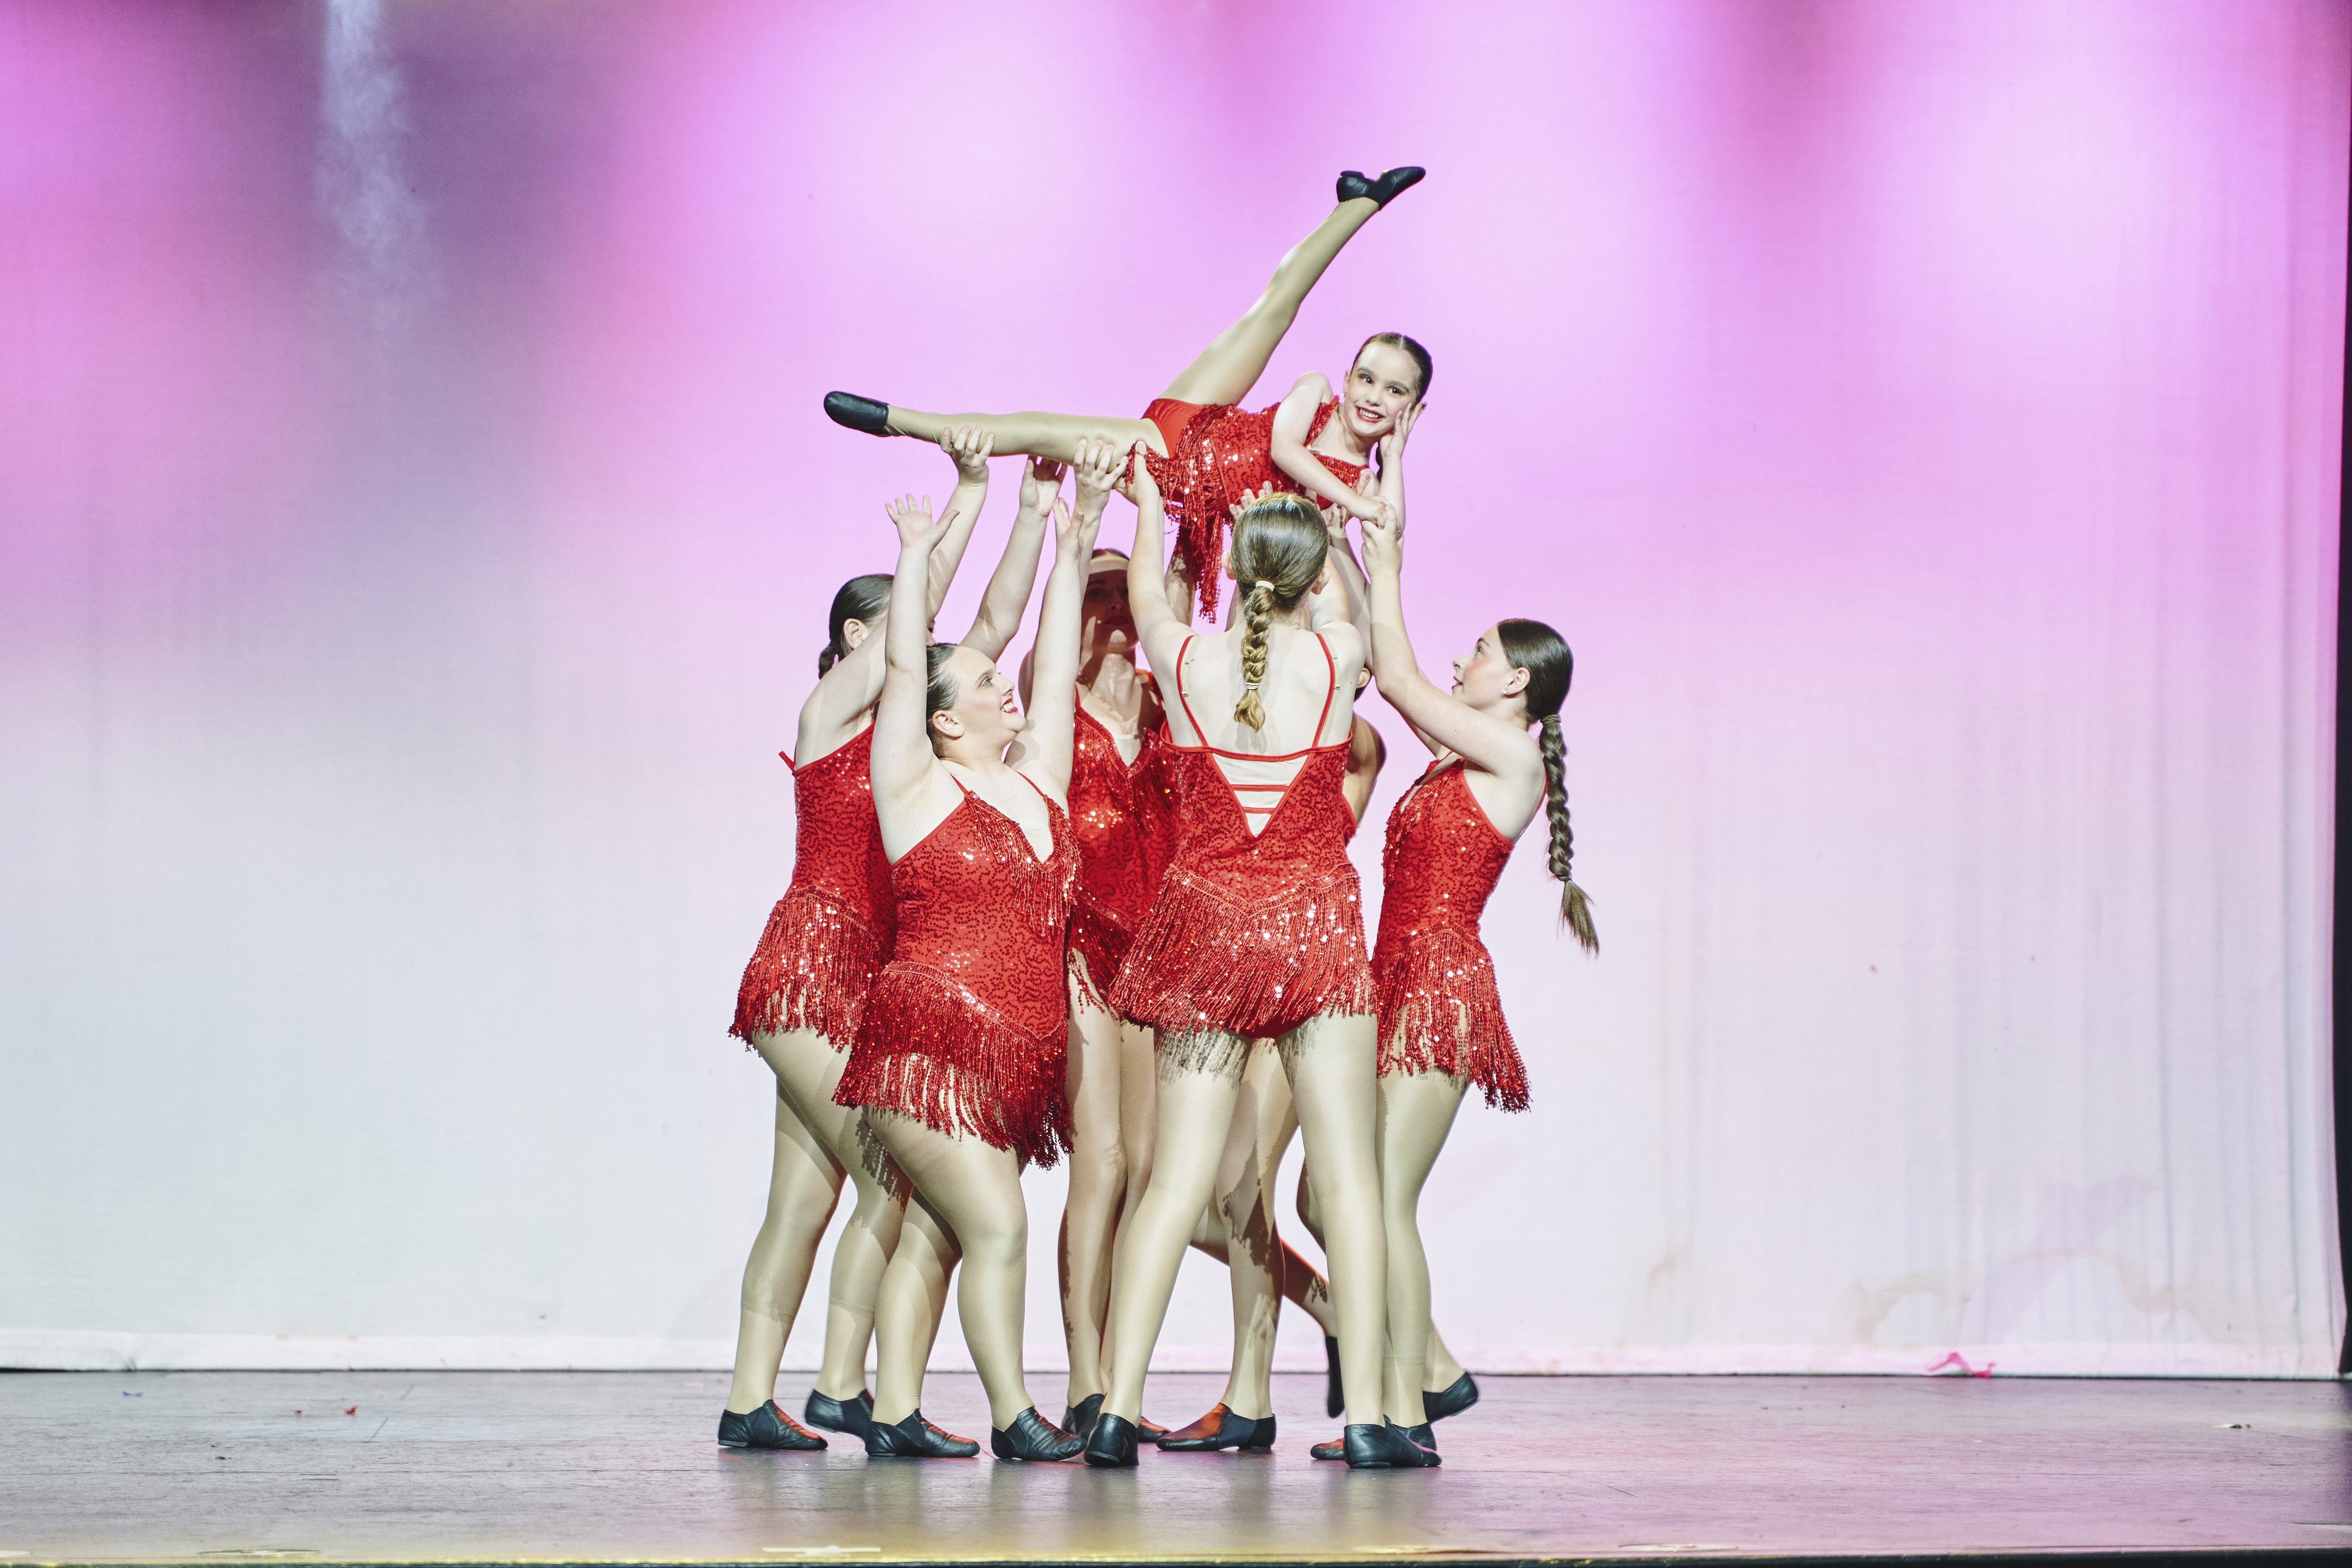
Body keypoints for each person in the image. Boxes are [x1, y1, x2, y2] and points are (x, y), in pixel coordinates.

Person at [1084, 460, 1433, 1470]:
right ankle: (1367, 1416)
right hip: (1311, 932)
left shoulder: (1183, 656)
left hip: (1207, 931)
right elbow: (1358, 621)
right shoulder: (1336, 655)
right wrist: (1372, 542)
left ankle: (1116, 1409)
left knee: (1173, 1185)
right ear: (1316, 577)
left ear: (1235, 573)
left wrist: (1151, 507)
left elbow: (1149, 589)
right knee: (1350, 1183)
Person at [718, 429, 1052, 1451]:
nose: (926, 639)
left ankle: (749, 1399)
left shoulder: (914, 739)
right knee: (888, 1174)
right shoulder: (830, 714)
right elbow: (922, 635)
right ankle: (841, 1386)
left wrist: (1011, 503)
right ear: (860, 634)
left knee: (802, 1199)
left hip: (866, 983)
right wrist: (957, 506)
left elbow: (990, 623)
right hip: (812, 968)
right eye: (904, 625)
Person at [830, 439, 1128, 1462]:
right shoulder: (915, 785)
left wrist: (1077, 530)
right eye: (988, 682)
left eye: (1006, 679)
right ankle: (1014, 1415)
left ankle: (893, 1409)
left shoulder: (1038, 778)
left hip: (1011, 1061)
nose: (1011, 689)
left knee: (939, 1230)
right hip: (927, 1050)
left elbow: (1055, 670)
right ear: (944, 718)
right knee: (997, 1226)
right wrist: (916, 556)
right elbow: (902, 668)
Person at [1309, 447, 1596, 1459]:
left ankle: (1399, 1413)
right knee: (1333, 1196)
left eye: (1477, 652)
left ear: (1515, 680)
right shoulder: (1456, 754)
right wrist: (1356, 541)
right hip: (1389, 979)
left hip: (1437, 984)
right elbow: (1390, 661)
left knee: (1381, 1199)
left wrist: (1386, 557)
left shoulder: (1509, 757)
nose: (1460, 661)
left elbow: (1394, 672)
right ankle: (1420, 1376)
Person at [821, 168, 1429, 622]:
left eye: (1395, 390)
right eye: (1367, 378)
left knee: (1036, 432)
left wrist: (1393, 462)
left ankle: (896, 420)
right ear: (1347, 377)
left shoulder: (1366, 485)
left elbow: (1389, 533)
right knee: (1273, 310)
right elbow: (1285, 450)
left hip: (1166, 467)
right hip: (1200, 415)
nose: (1374, 397)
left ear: (1412, 408)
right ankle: (1358, 204)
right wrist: (1358, 501)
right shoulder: (1317, 394)